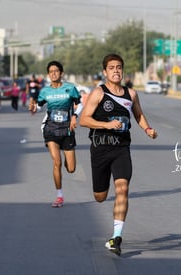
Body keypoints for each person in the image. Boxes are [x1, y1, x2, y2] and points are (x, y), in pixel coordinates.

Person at [80, 54, 158, 256]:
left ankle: (116, 237)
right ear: (105, 72)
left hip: (121, 148)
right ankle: (102, 195)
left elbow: (138, 115)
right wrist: (106, 124)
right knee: (100, 196)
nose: (116, 70)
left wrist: (147, 129)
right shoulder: (98, 93)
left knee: (122, 188)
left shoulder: (131, 94)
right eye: (112, 67)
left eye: (119, 67)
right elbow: (84, 120)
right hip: (100, 148)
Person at [29, 61, 83, 208]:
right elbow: (39, 106)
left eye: (56, 71)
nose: (53, 73)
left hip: (67, 130)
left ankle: (68, 157)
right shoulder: (45, 91)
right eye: (51, 71)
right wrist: (34, 107)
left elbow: (80, 104)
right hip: (51, 129)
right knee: (56, 162)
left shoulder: (70, 88)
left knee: (71, 168)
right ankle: (59, 196)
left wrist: (75, 116)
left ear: (61, 73)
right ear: (48, 74)